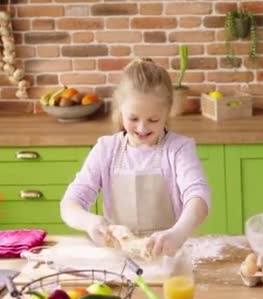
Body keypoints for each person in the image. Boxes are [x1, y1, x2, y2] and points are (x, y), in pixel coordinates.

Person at [60, 58, 211, 256]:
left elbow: (198, 196)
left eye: (153, 119)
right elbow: (70, 203)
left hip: (166, 256)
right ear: (120, 110)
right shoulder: (106, 149)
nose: (141, 128)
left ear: (167, 113)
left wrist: (178, 233)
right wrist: (89, 222)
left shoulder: (178, 149)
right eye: (133, 118)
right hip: (118, 259)